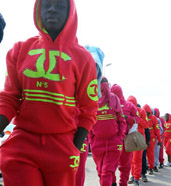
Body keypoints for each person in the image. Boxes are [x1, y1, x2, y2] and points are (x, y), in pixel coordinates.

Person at [0, 1, 99, 185]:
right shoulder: (20, 50)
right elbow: (9, 97)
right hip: (22, 144)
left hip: (62, 147)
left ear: (70, 12)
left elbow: (89, 109)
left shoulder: (83, 58)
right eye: (46, 5)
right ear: (38, 9)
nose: (52, 9)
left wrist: (74, 148)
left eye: (59, 5)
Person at [76, 45, 104, 186]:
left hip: (79, 141)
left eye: (95, 68)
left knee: (76, 176)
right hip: (56, 136)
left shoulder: (94, 94)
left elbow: (89, 116)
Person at [89, 78, 126, 186]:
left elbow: (122, 121)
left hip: (113, 142)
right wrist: (92, 140)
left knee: (106, 172)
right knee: (101, 173)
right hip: (97, 143)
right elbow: (89, 121)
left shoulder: (114, 99)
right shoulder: (93, 99)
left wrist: (120, 138)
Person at [111, 85, 140, 186]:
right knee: (111, 164)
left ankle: (122, 183)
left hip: (126, 139)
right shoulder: (109, 104)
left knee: (125, 164)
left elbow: (138, 119)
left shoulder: (129, 105)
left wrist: (128, 118)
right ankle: (113, 182)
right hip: (112, 139)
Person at [128, 96, 148, 186]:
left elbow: (146, 124)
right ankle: (133, 175)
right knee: (131, 158)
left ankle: (136, 178)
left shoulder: (141, 111)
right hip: (129, 137)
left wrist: (137, 119)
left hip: (139, 137)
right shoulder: (126, 109)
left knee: (137, 159)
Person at [143, 104, 162, 175]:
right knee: (143, 154)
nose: (145, 113)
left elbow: (157, 130)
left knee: (150, 153)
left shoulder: (154, 118)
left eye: (146, 112)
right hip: (143, 137)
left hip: (152, 138)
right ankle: (144, 168)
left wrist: (159, 140)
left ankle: (151, 167)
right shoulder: (142, 117)